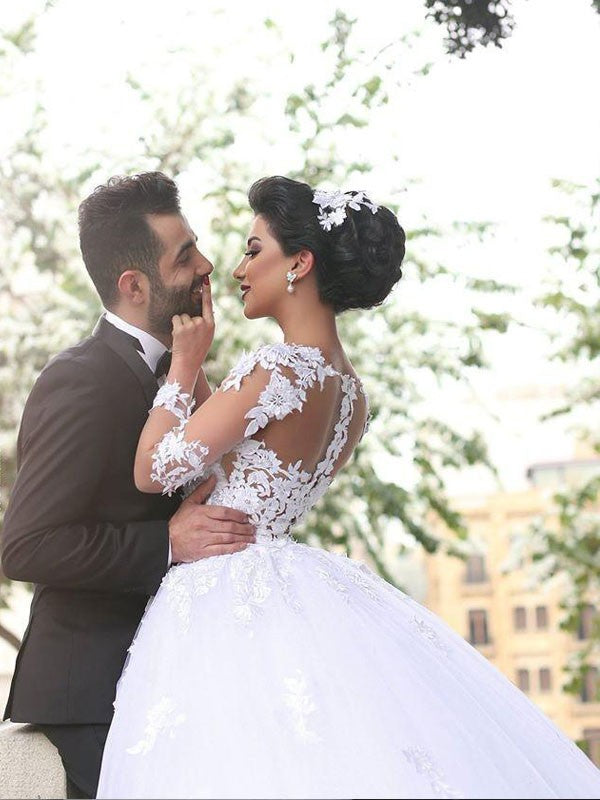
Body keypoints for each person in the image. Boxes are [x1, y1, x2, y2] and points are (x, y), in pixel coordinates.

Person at [95, 175, 600, 799]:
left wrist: (185, 364)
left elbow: (156, 470)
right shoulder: (351, 394)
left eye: (254, 250)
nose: (235, 270)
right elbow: (243, 466)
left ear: (299, 263)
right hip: (288, 581)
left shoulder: (276, 367)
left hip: (224, 593)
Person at [0, 172, 256, 799]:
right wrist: (166, 542)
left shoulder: (181, 370)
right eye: (184, 256)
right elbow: (25, 546)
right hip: (94, 696)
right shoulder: (79, 380)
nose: (207, 267)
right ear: (134, 285)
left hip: (168, 679)